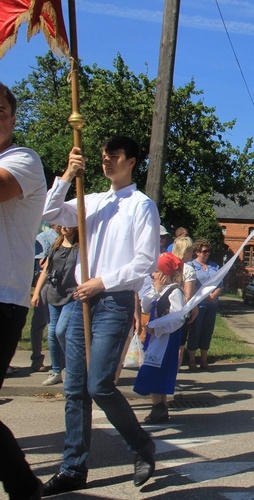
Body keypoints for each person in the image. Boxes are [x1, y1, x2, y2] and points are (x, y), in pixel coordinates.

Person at [41, 135, 160, 494]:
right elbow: (47, 214)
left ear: (132, 161)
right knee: (74, 388)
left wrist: (102, 281)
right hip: (82, 302)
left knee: (99, 386)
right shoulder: (90, 201)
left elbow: (145, 262)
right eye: (104, 156)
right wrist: (66, 175)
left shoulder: (141, 205)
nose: (107, 161)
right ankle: (73, 468)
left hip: (112, 301)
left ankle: (141, 446)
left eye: (115, 156)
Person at [0, 81, 46, 499]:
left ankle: (22, 486)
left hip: (2, 298)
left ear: (13, 119)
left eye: (0, 111)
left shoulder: (23, 160)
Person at [134, 253, 188, 424]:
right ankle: (161, 407)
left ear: (165, 274)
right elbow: (146, 306)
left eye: (156, 271)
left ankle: (158, 408)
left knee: (153, 372)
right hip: (156, 339)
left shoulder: (175, 292)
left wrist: (158, 329)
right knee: (154, 371)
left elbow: (178, 318)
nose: (153, 275)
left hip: (165, 340)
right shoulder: (159, 290)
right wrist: (155, 290)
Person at [31, 225, 80, 387]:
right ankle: (57, 371)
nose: (63, 227)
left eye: (68, 224)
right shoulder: (56, 246)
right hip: (53, 295)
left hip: (71, 296)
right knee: (52, 333)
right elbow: (46, 270)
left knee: (61, 330)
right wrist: (37, 292)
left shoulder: (80, 247)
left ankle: (72, 366)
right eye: (62, 224)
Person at [29, 223, 60, 372]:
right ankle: (36, 358)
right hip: (46, 284)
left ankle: (61, 361)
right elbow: (42, 264)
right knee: (40, 323)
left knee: (60, 326)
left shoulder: (73, 238)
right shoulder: (43, 238)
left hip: (65, 285)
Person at [187, 239, 222, 371]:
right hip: (198, 305)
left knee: (207, 332)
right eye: (204, 251)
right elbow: (191, 284)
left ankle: (204, 360)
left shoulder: (214, 266)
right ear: (197, 252)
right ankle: (191, 360)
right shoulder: (191, 265)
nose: (207, 254)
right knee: (195, 331)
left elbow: (220, 283)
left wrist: (214, 295)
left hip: (212, 305)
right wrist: (205, 295)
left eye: (208, 251)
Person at [172, 236, 197, 367]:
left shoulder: (166, 264)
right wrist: (194, 309)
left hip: (164, 311)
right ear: (185, 251)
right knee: (179, 346)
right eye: (191, 250)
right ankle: (172, 377)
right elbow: (188, 296)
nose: (192, 253)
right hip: (180, 312)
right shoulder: (188, 269)